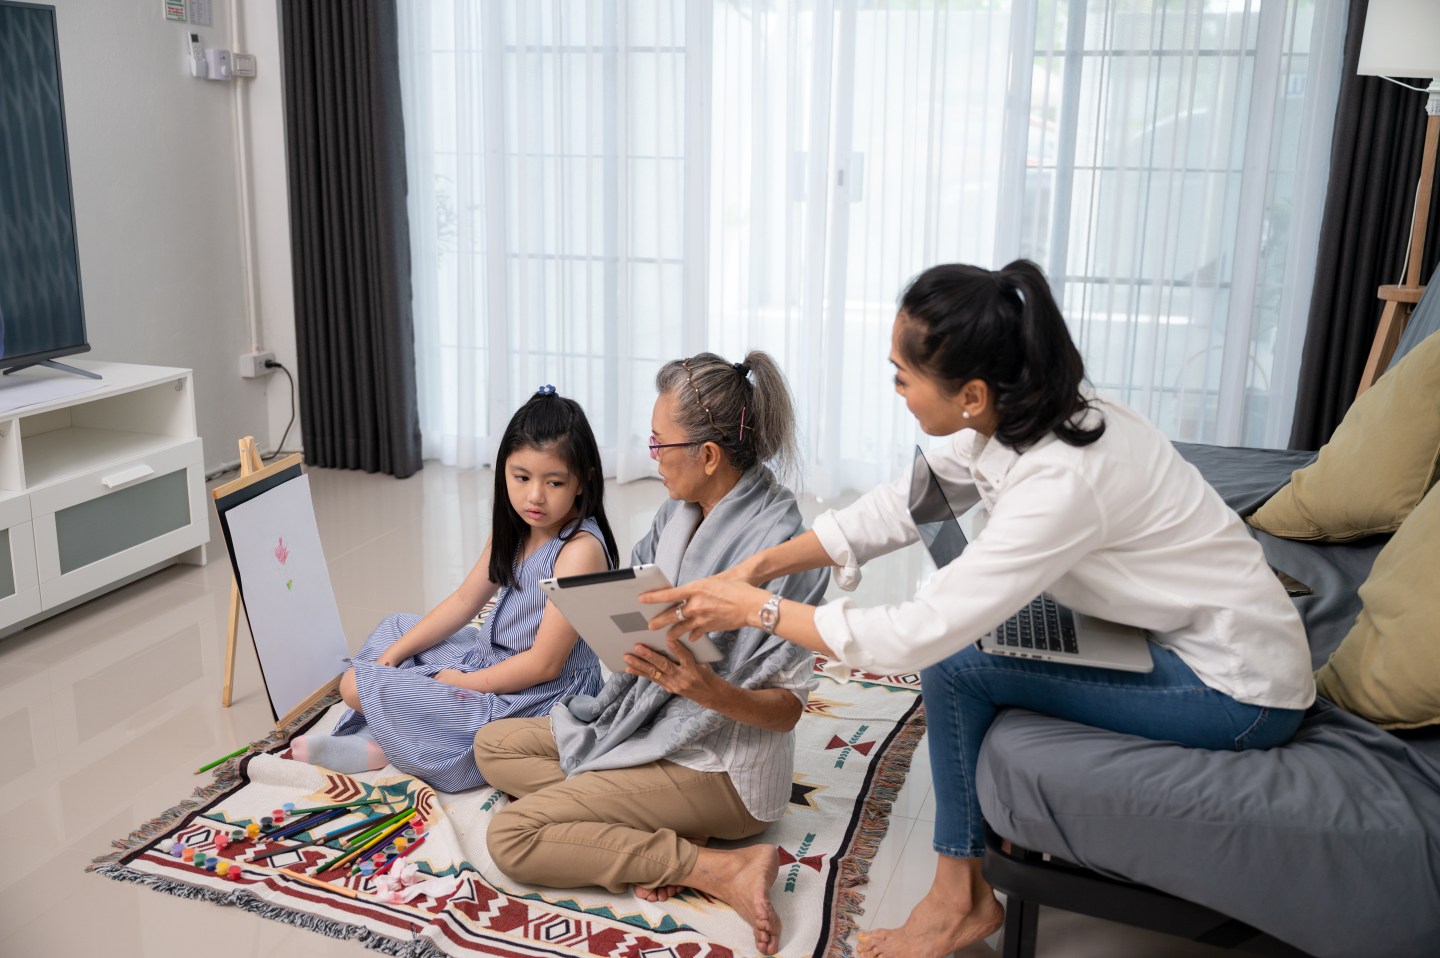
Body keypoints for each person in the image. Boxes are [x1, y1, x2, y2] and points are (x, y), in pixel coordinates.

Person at [645, 261, 1315, 958]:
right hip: (1174, 633)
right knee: (970, 627)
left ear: (969, 393)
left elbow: (910, 634)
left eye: (904, 376)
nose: (895, 389)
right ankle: (961, 891)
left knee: (954, 657)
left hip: (1236, 688)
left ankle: (956, 899)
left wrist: (758, 609)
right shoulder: (1027, 414)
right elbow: (909, 499)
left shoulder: (1061, 480)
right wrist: (764, 563)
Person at [473, 351, 828, 956]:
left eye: (660, 444)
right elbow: (636, 597)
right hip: (653, 722)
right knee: (492, 747)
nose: (651, 456)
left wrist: (705, 690)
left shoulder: (782, 548)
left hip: (722, 768)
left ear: (708, 455)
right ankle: (620, 828)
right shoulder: (681, 511)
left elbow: (786, 710)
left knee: (513, 836)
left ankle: (715, 868)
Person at [289, 387, 618, 793]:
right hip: (490, 656)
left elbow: (545, 665)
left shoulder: (580, 550)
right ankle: (389, 736)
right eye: (521, 478)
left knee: (355, 685)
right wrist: (397, 656)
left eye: (554, 482)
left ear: (582, 483)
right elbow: (465, 602)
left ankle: (385, 742)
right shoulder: (516, 529)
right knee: (396, 630)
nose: (534, 496)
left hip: (538, 696)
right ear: (504, 473)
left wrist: (459, 685)